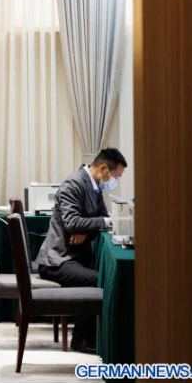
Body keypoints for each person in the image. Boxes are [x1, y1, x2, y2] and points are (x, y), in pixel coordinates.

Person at [35, 147, 128, 353]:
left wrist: (86, 230)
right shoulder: (73, 184)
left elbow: (98, 219)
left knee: (101, 275)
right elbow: (73, 223)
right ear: (103, 168)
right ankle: (82, 339)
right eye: (116, 176)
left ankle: (92, 336)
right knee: (99, 280)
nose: (115, 181)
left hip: (75, 257)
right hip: (58, 260)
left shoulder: (96, 187)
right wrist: (101, 222)